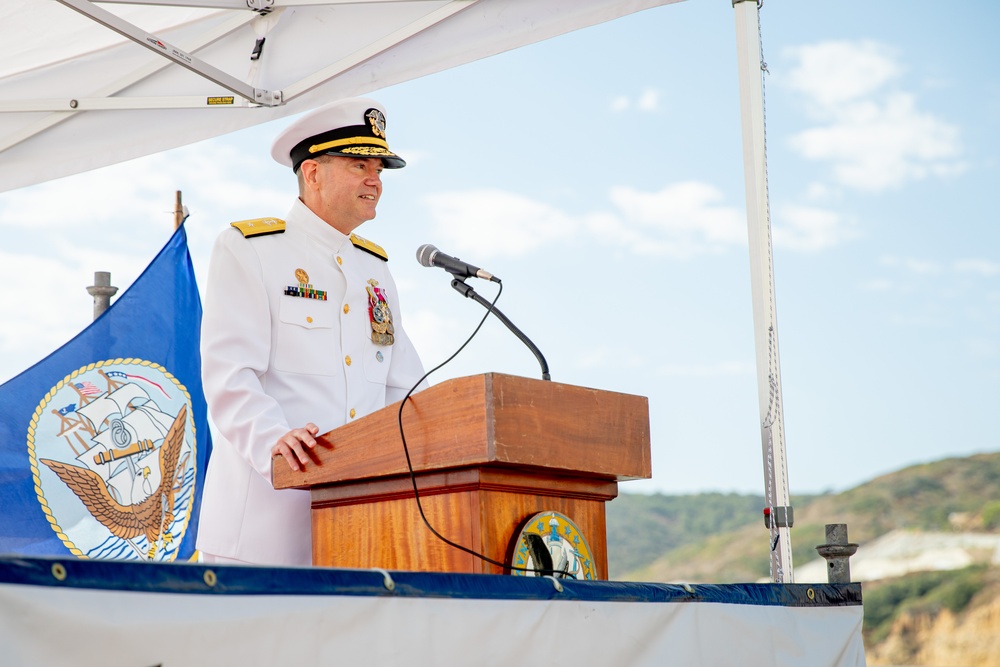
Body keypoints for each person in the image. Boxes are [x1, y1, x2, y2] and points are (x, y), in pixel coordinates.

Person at [196, 98, 427, 566]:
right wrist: (273, 444)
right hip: (263, 527)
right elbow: (229, 375)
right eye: (359, 164)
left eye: (379, 169)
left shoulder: (375, 270)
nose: (374, 180)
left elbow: (405, 389)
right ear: (313, 173)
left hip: (358, 529)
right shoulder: (251, 249)